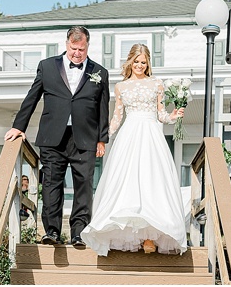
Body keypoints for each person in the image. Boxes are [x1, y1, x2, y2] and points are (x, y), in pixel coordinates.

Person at [3, 26, 109, 247]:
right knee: (51, 184)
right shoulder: (47, 66)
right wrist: (18, 126)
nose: (77, 53)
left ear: (87, 46)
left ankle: (79, 233)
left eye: (81, 49)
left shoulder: (100, 72)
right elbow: (32, 97)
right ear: (66, 43)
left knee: (84, 186)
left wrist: (102, 138)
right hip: (53, 137)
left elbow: (103, 108)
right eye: (73, 48)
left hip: (85, 138)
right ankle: (51, 231)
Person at [80, 44, 187, 256]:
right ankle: (128, 233)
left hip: (150, 135)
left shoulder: (157, 84)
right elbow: (117, 117)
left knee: (151, 182)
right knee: (126, 183)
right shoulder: (121, 87)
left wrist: (173, 116)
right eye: (136, 61)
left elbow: (161, 114)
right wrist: (102, 138)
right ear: (130, 62)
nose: (139, 65)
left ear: (148, 64)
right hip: (128, 135)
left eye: (143, 62)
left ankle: (151, 236)